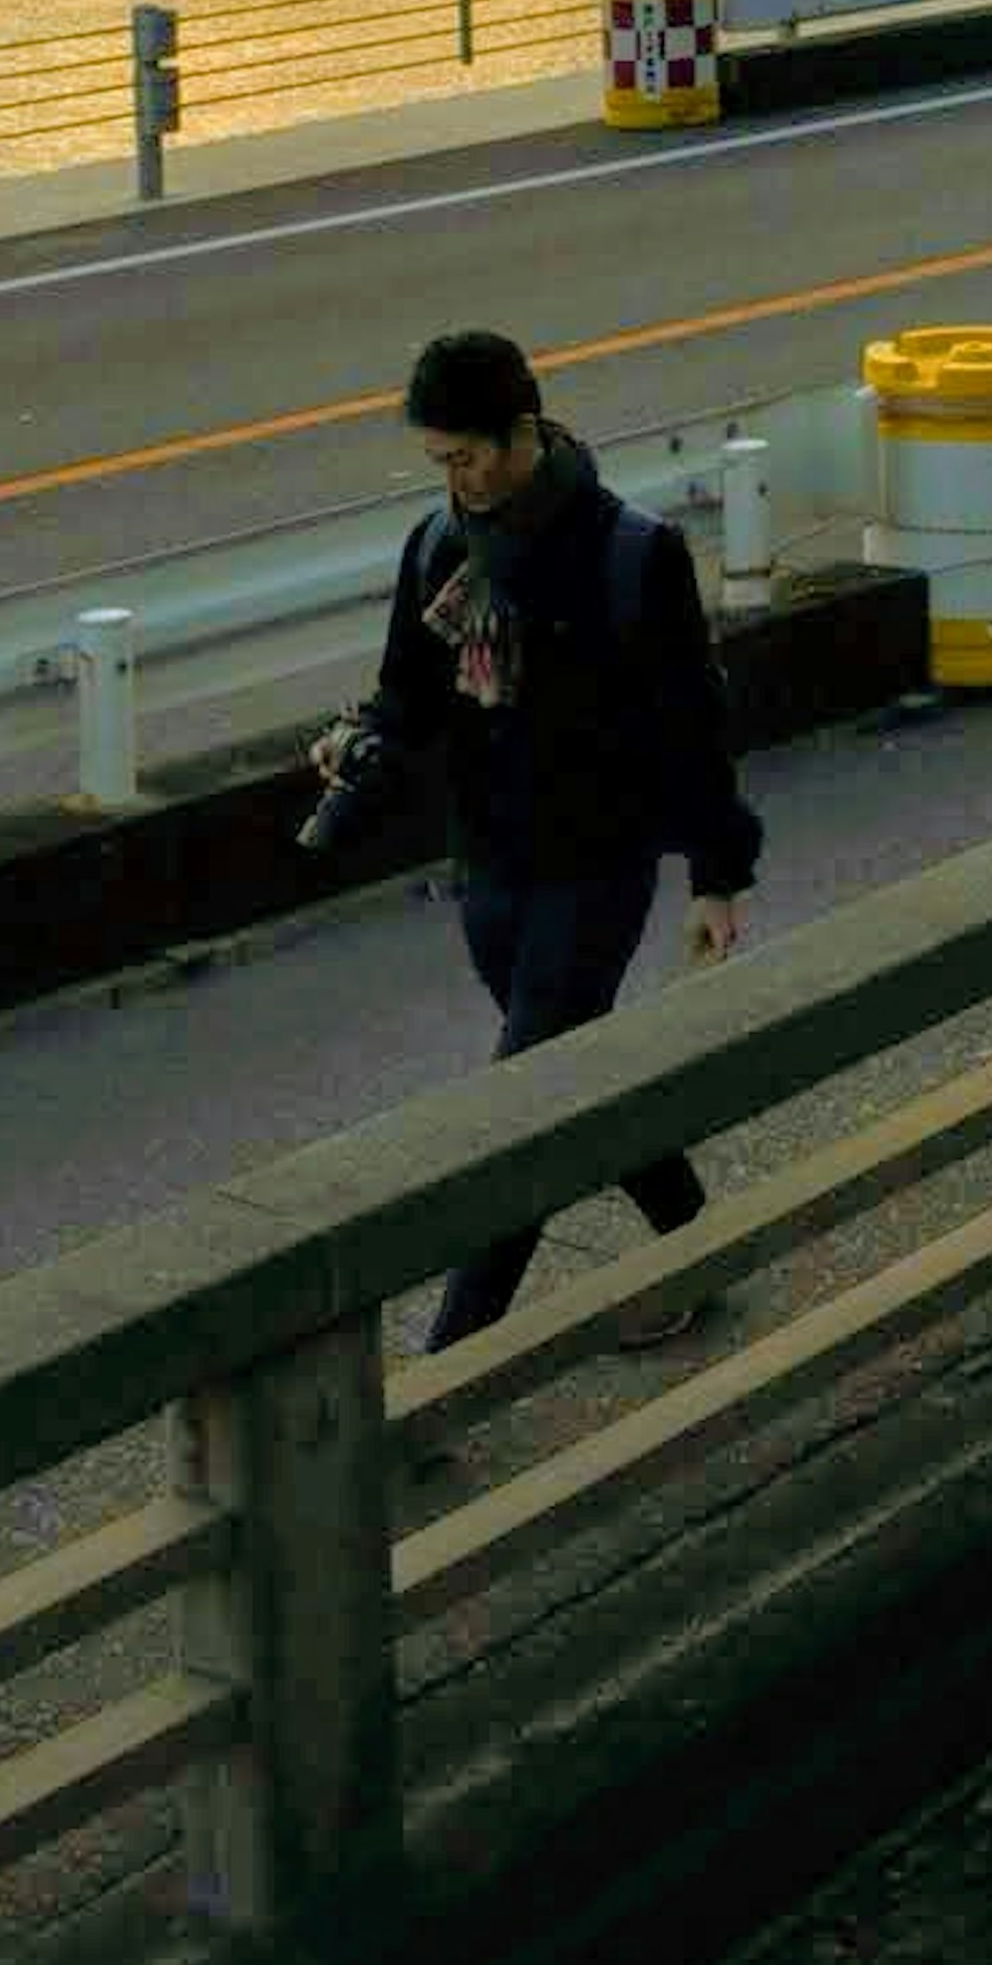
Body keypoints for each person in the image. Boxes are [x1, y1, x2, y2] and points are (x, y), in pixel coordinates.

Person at [324, 323, 765, 1354]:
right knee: (579, 1077)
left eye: (468, 456)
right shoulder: (439, 549)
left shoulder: (629, 553)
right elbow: (409, 694)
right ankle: (705, 1241)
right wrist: (363, 739)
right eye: (439, 461)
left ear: (521, 432)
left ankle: (442, 1379)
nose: (457, 479)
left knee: (525, 1112)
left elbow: (690, 726)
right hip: (490, 865)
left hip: (597, 866)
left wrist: (716, 875)